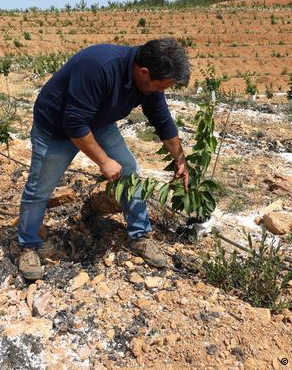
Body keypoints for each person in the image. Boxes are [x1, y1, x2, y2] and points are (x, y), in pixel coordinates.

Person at [17, 38, 191, 280]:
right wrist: (103, 161)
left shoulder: (148, 82)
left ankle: (139, 236)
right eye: (160, 87)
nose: (160, 92)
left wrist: (180, 159)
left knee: (129, 170)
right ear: (144, 72)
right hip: (55, 129)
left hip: (98, 122)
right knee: (40, 189)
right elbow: (74, 123)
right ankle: (28, 245)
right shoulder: (98, 66)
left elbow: (162, 119)